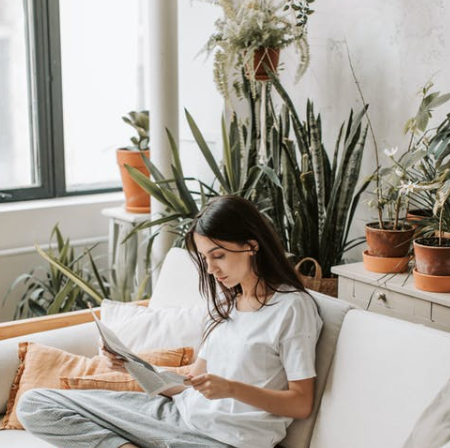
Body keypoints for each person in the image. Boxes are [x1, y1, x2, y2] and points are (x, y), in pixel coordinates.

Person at [17, 195, 323, 448]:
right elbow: (189, 382)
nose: (212, 269)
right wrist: (130, 364)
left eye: (218, 255)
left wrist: (231, 389)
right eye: (205, 259)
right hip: (175, 414)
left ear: (251, 245)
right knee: (35, 403)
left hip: (222, 441)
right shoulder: (225, 304)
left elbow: (300, 403)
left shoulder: (292, 308)